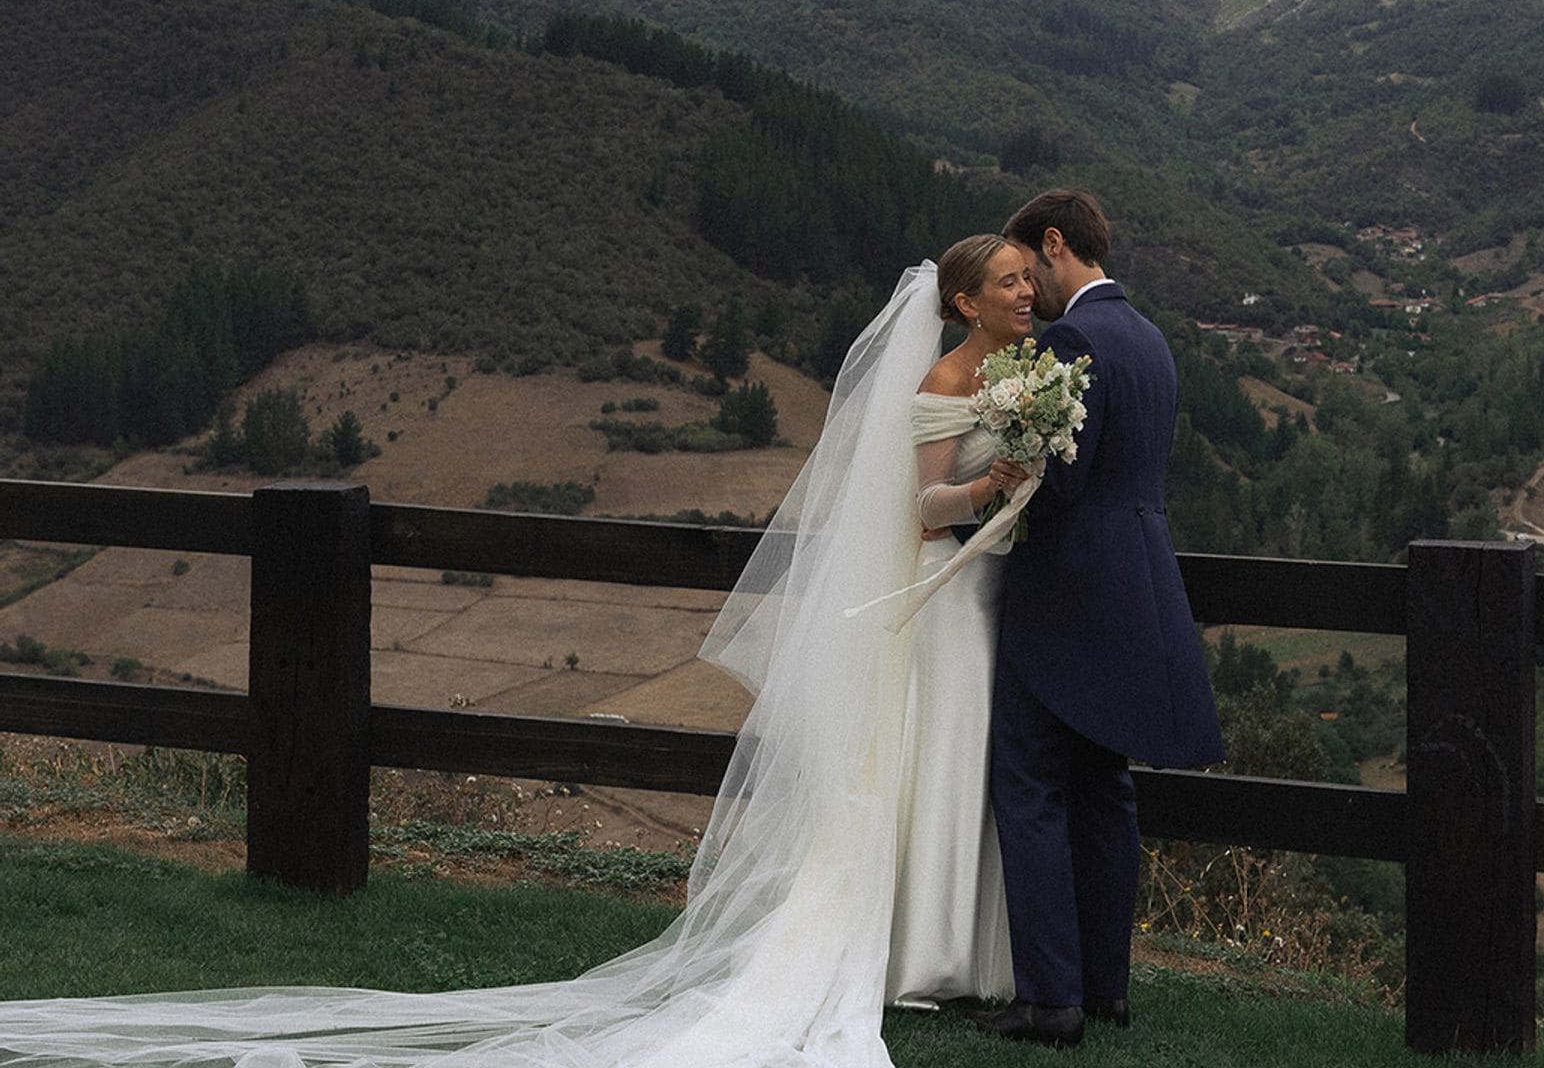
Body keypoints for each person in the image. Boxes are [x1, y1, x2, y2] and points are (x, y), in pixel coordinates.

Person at [0, 243, 1032, 1067]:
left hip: (970, 599)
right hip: (937, 595)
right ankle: (915, 951)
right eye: (1008, 281)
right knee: (918, 763)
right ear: (959, 300)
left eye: (1030, 278)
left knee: (945, 766)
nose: (1026, 291)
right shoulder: (943, 382)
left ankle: (942, 944)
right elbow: (917, 508)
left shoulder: (1010, 377)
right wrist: (1000, 486)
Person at [972, 189, 1226, 1050]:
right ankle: (1107, 989)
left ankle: (1051, 1000)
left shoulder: (1071, 340)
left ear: (1053, 245)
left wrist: (999, 490)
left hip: (1064, 594)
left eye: (1025, 268)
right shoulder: (1150, 338)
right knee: (1105, 790)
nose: (1024, 291)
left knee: (1032, 786)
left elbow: (1064, 484)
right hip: (1136, 592)